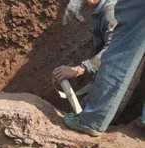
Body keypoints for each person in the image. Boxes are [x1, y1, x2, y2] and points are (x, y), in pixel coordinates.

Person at [61, 0, 145, 137]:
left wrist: (82, 67)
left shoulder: (109, 12)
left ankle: (92, 120)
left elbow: (116, 47)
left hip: (120, 87)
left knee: (123, 45)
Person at [53, 0, 117, 85]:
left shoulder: (110, 12)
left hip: (119, 75)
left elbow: (114, 48)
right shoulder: (102, 8)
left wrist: (81, 68)